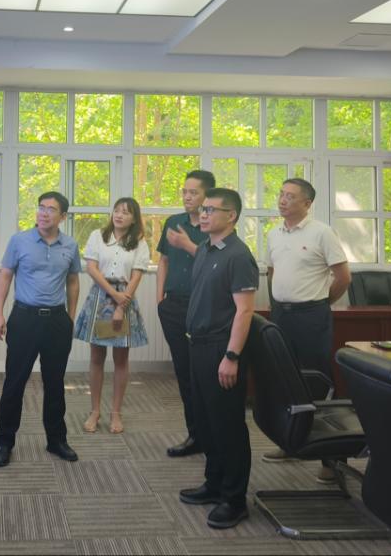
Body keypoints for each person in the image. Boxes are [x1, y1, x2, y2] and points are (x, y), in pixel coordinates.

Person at [166, 188, 257, 529]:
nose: (202, 215)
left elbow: (244, 311)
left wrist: (232, 356)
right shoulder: (205, 248)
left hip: (222, 348)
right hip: (198, 346)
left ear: (231, 216)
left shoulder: (238, 255)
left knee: (227, 425)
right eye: (202, 209)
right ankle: (214, 484)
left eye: (210, 210)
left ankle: (235, 499)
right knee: (205, 420)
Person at [262, 178, 350, 477]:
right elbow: (272, 273)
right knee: (284, 380)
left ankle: (332, 460)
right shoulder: (273, 234)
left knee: (317, 381)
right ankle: (290, 443)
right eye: (281, 194)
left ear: (307, 203)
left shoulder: (322, 232)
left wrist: (321, 303)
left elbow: (343, 277)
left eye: (290, 196)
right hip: (281, 315)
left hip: (312, 315)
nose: (282, 200)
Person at [0, 191, 82, 468]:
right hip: (24, 319)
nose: (44, 213)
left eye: (51, 209)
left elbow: (73, 281)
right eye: (41, 207)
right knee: (14, 383)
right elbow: (5, 276)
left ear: (62, 216)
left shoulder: (70, 245)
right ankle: (4, 442)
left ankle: (56, 440)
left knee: (55, 384)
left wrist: (70, 318)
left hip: (56, 321)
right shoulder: (19, 241)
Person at [74, 197, 150, 434]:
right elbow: (91, 268)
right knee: (96, 357)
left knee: (121, 359)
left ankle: (116, 413)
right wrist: (112, 295)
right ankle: (95, 411)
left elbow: (136, 276)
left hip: (125, 299)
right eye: (116, 210)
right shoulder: (98, 236)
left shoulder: (139, 242)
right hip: (100, 298)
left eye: (125, 212)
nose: (119, 215)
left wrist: (120, 305)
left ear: (134, 218)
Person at [155, 169, 215, 457]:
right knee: (183, 372)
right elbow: (164, 261)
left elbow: (215, 262)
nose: (187, 197)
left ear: (207, 196)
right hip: (173, 305)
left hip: (202, 307)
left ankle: (211, 434)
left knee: (202, 372)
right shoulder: (173, 222)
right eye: (184, 192)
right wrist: (160, 299)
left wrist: (187, 245)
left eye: (193, 192)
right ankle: (195, 435)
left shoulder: (213, 225)